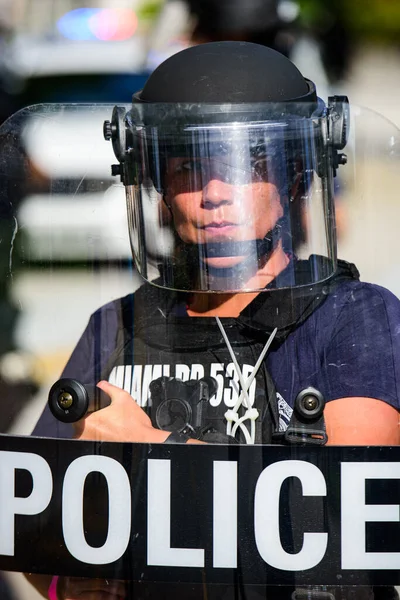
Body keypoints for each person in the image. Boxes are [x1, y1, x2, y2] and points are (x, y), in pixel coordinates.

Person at [28, 41, 400, 599]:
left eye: (249, 165)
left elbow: (341, 516)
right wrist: (71, 583)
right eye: (187, 167)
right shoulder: (119, 325)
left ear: (296, 179)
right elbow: (32, 518)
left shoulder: (355, 316)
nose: (216, 194)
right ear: (155, 187)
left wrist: (152, 450)